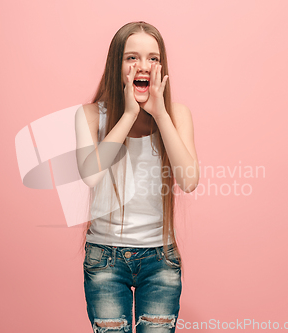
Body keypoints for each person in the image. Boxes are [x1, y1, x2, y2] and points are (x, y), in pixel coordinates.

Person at [75, 21, 199, 333]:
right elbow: (90, 176)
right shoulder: (90, 115)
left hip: (160, 260)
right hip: (105, 259)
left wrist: (160, 114)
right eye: (132, 58)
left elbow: (188, 180)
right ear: (116, 65)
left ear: (161, 67)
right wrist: (129, 114)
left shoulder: (177, 115)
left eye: (153, 58)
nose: (143, 65)